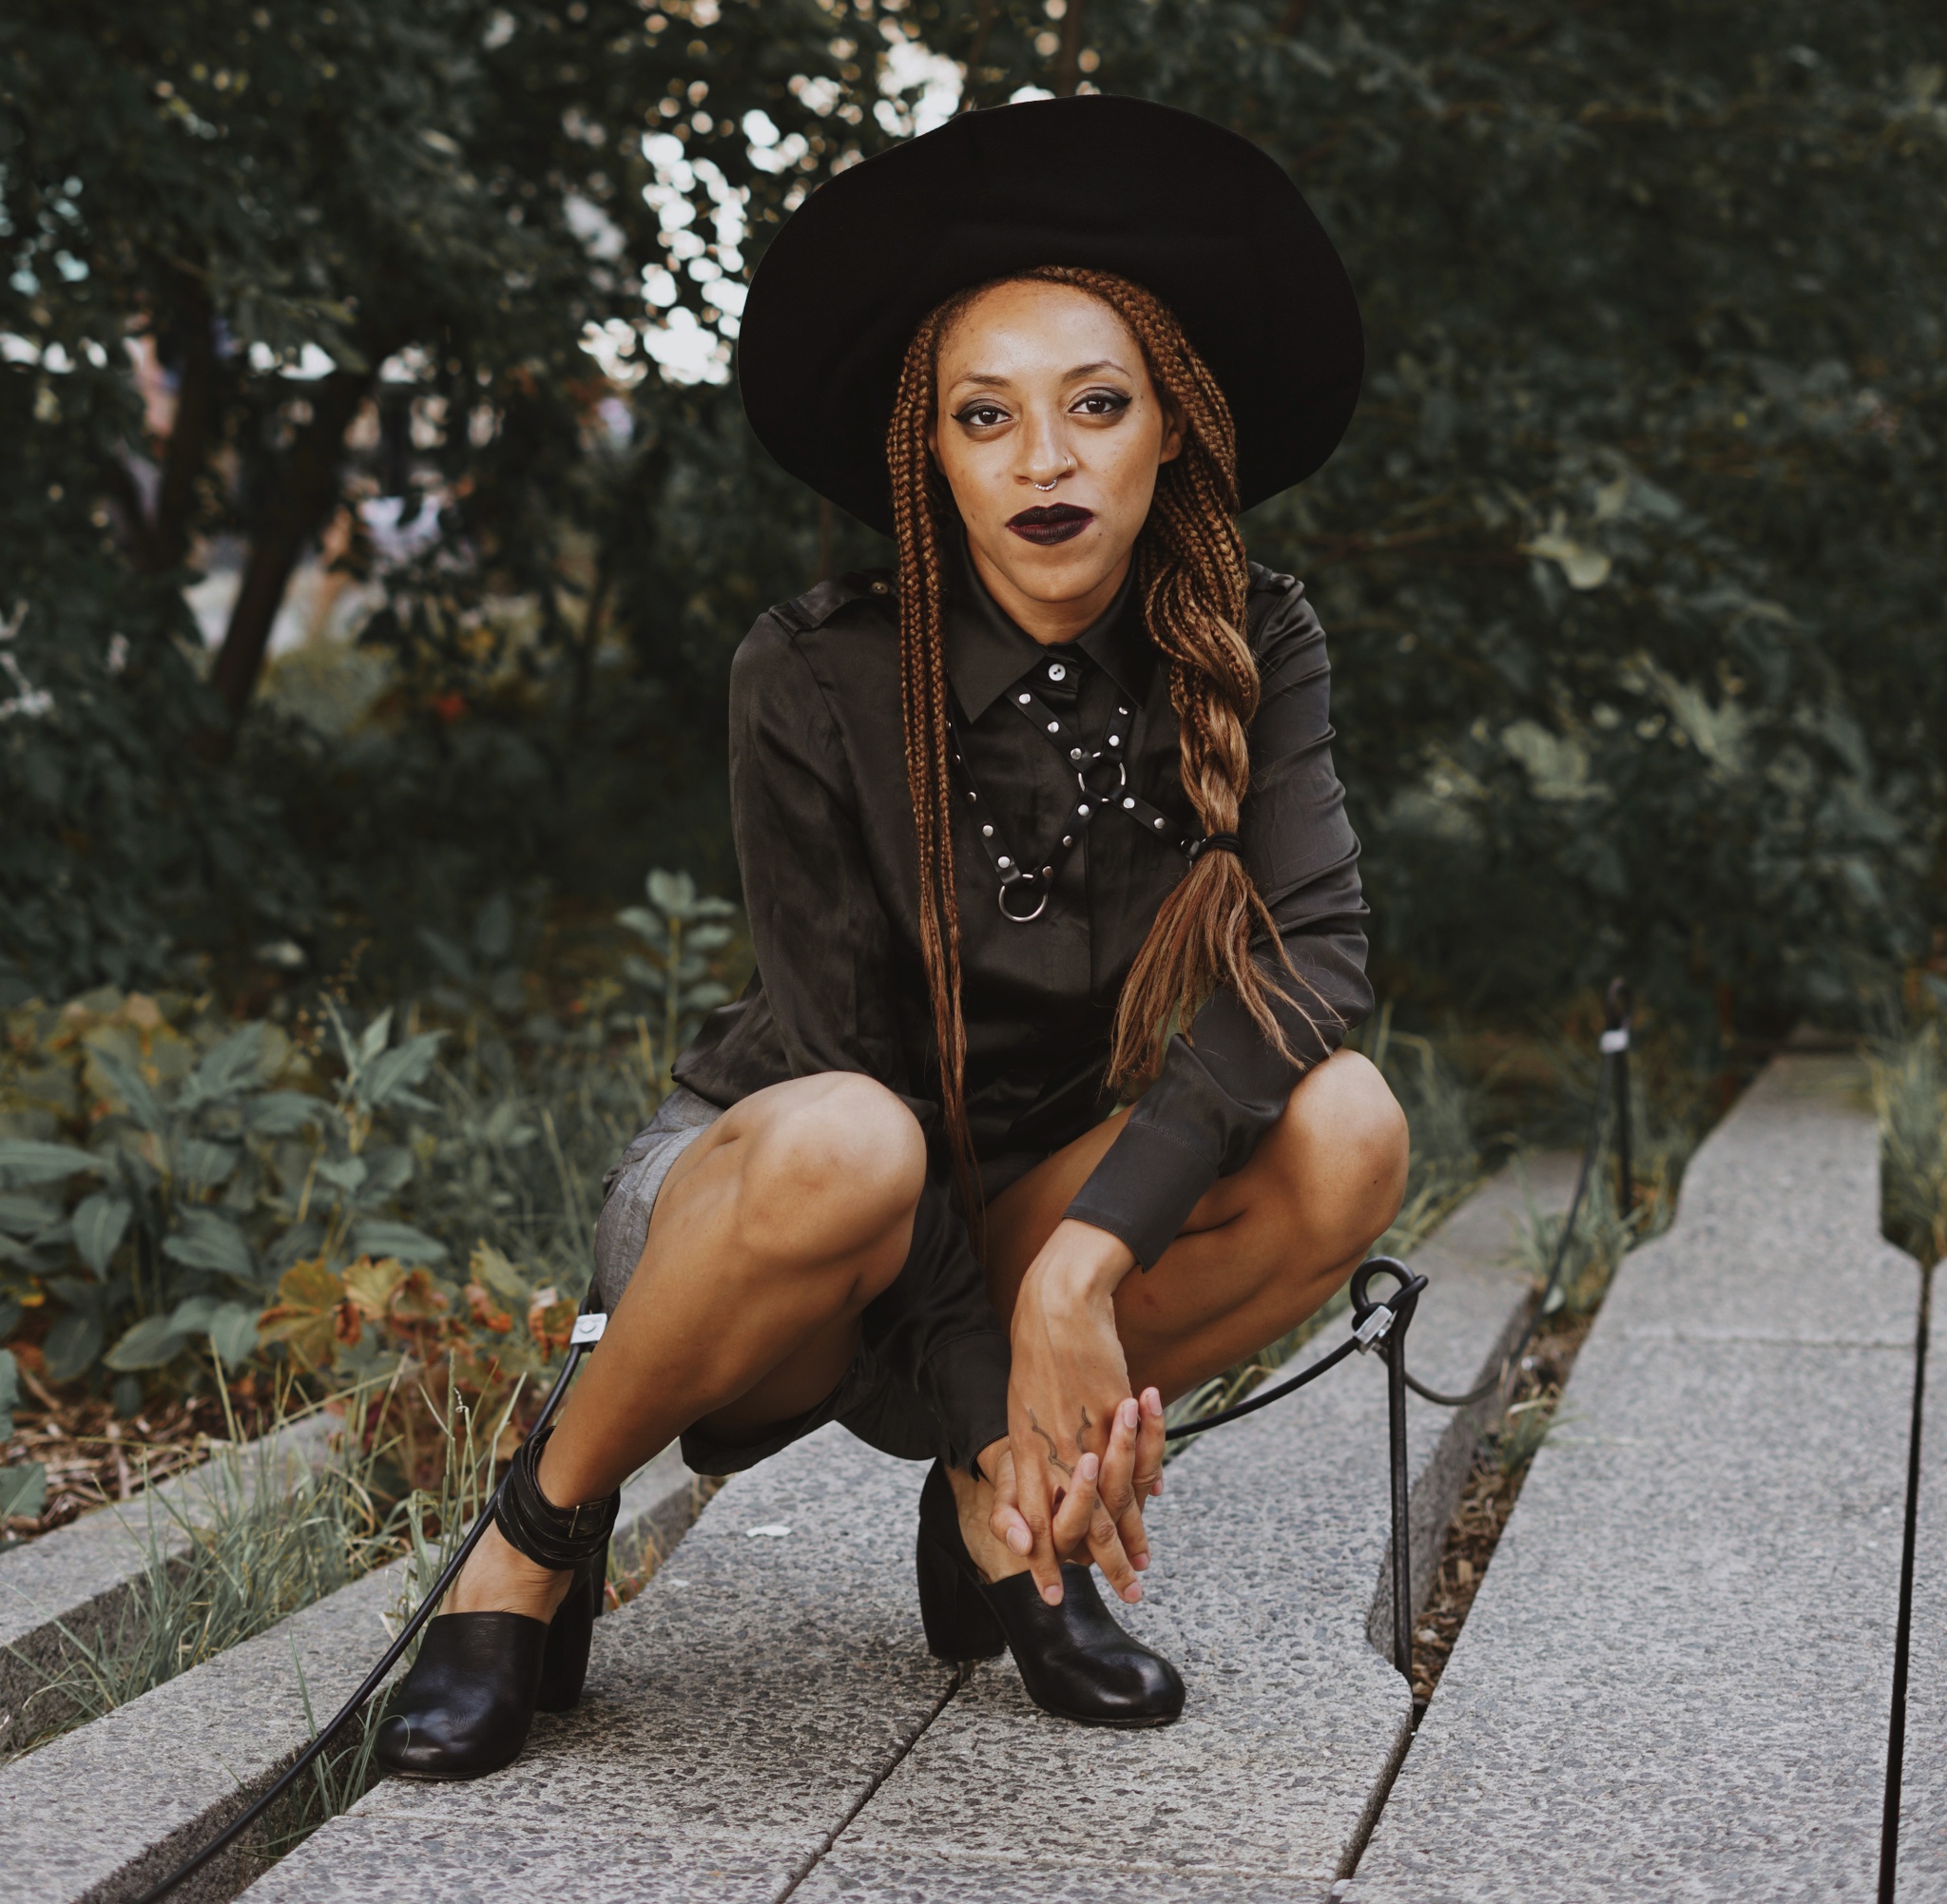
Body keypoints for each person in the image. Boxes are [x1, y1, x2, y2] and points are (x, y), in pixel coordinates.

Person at [376, 93, 1408, 1779]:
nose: (1046, 461)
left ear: (1173, 431)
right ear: (929, 455)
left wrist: (1082, 1263)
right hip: (779, 1195)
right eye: (984, 417)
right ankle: (534, 1537)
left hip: (1011, 1203)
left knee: (1349, 1125)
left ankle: (986, 1512)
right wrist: (1017, 1394)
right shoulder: (813, 671)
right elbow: (862, 1071)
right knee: (852, 1140)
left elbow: (1314, 958)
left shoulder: (1253, 634)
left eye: (1095, 406)